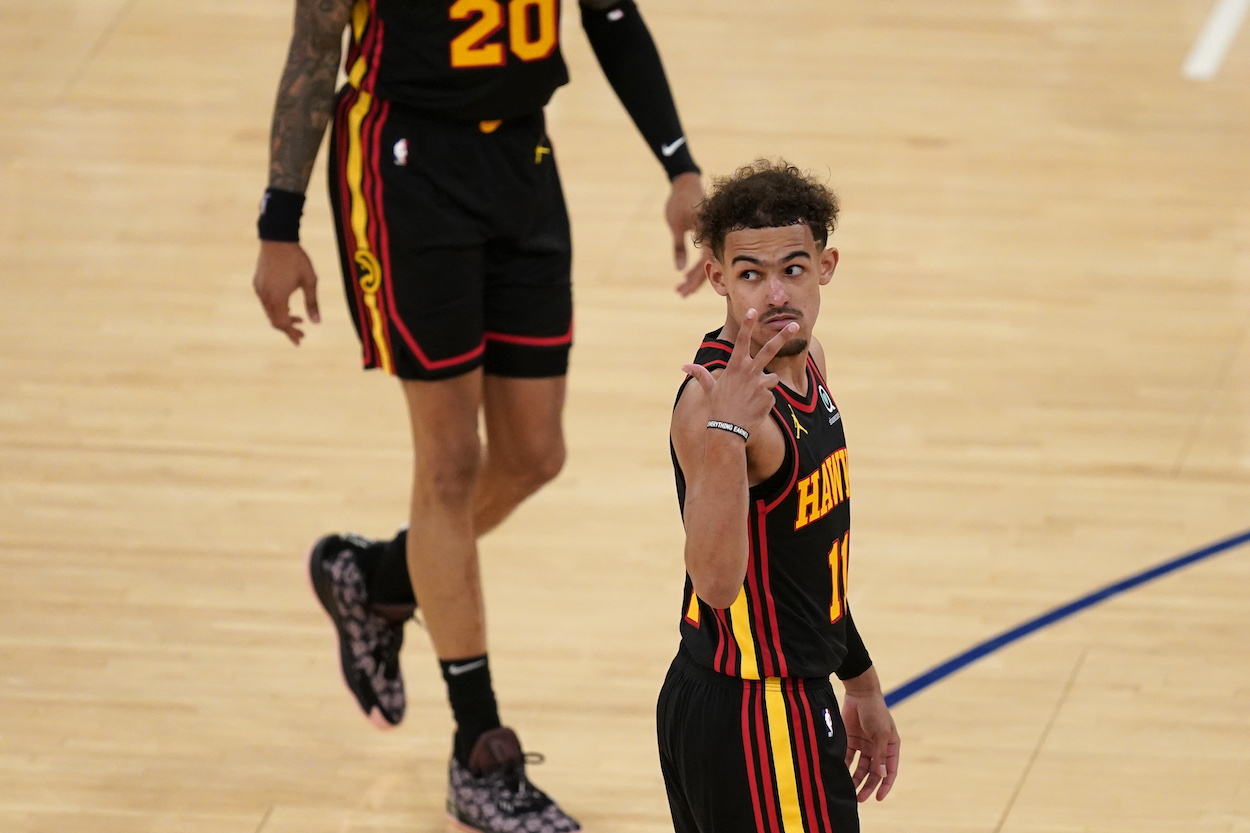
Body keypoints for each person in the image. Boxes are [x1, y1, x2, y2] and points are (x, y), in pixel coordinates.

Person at [250, 1, 704, 831]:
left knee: (535, 451)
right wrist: (281, 223)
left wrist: (679, 165)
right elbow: (316, 47)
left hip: (522, 159)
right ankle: (479, 750)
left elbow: (609, 12)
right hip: (404, 167)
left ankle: (377, 579)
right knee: (451, 460)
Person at [660, 160, 900, 833]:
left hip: (782, 693)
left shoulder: (809, 360)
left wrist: (860, 679)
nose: (775, 294)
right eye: (750, 275)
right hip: (755, 712)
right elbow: (712, 581)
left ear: (826, 266)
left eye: (792, 269)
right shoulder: (717, 405)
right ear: (718, 279)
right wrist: (728, 435)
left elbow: (805, 559)